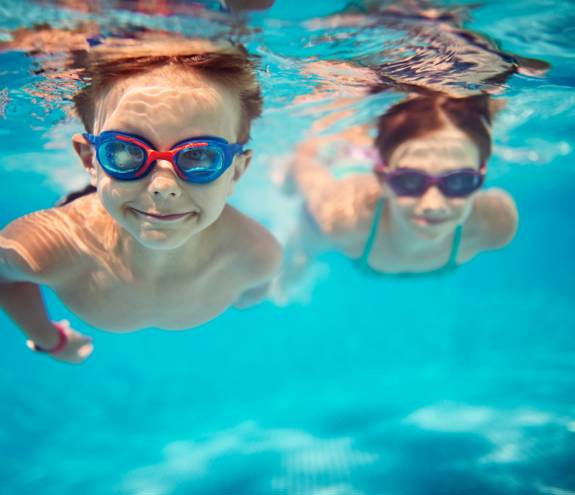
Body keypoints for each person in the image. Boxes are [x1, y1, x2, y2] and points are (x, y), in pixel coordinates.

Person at [0, 36, 282, 364]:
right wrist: (49, 339)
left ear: (236, 171)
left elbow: (255, 291)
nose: (163, 186)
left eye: (200, 156)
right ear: (90, 160)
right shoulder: (49, 248)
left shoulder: (256, 257)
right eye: (124, 150)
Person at [281, 94, 517, 286]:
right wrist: (288, 186)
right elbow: (304, 163)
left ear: (481, 177)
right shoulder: (341, 216)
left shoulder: (496, 223)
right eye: (410, 181)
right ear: (382, 179)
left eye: (459, 181)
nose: (433, 205)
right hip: (345, 179)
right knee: (304, 250)